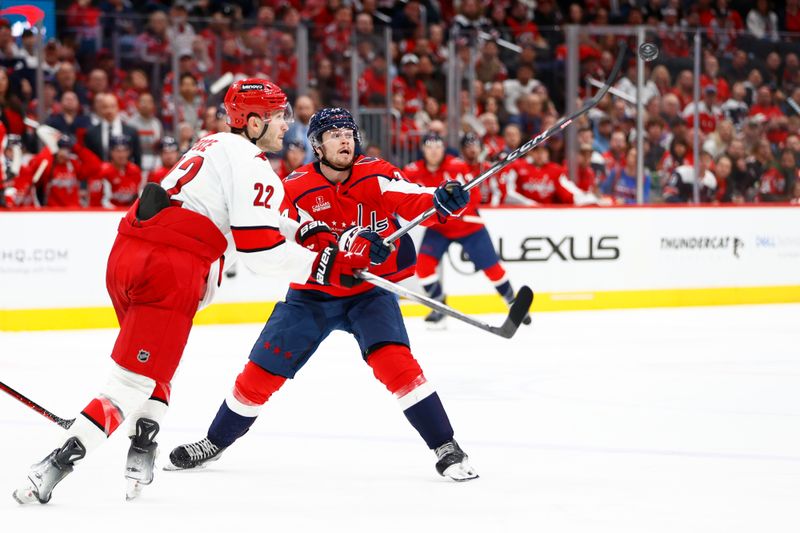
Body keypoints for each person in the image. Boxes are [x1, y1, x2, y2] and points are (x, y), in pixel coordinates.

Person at [13, 80, 370, 505]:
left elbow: (252, 212)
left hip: (129, 251)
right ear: (254, 122)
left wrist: (304, 228)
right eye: (278, 118)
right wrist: (322, 265)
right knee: (129, 382)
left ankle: (142, 446)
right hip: (171, 268)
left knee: (156, 357)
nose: (286, 127)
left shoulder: (211, 144)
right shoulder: (254, 163)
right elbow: (258, 250)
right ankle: (52, 465)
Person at [167, 107, 480, 482]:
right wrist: (351, 245)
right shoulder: (295, 187)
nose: (344, 139)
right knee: (260, 372)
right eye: (333, 134)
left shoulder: (376, 173)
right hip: (312, 293)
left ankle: (445, 445)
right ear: (317, 144)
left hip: (368, 292)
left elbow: (413, 200)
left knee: (397, 364)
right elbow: (292, 236)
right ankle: (214, 441)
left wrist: (440, 201)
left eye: (348, 132)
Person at [403, 132, 531, 328]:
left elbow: (475, 195)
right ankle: (439, 305)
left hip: (469, 226)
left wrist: (457, 206)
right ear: (423, 150)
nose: (434, 151)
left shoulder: (456, 166)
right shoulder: (412, 171)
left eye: (438, 147)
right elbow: (405, 198)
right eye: (429, 147)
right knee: (423, 266)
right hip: (439, 228)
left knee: (492, 268)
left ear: (443, 148)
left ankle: (512, 302)